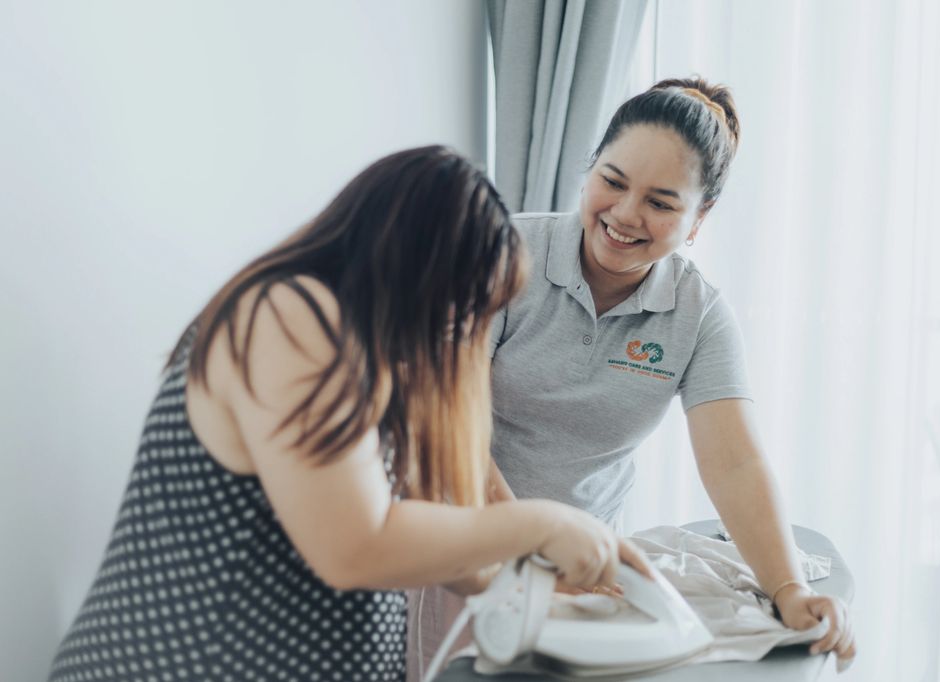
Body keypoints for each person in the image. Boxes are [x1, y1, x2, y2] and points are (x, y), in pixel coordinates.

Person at [47, 145, 652, 682]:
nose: (459, 331)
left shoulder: (379, 363)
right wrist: (541, 525)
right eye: (458, 305)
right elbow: (354, 546)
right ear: (409, 264)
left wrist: (544, 588)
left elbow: (437, 543)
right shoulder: (289, 315)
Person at [409, 77, 856, 677]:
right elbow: (445, 420)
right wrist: (526, 546)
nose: (625, 214)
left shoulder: (698, 316)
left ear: (699, 217)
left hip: (585, 566)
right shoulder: (501, 252)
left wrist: (789, 588)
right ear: (589, 169)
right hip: (462, 540)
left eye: (662, 202)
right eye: (612, 182)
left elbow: (735, 464)